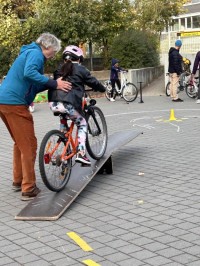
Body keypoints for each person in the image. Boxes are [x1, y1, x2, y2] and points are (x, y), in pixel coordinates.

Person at [0, 33, 72, 201]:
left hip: (4, 102)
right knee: (30, 145)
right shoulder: (36, 54)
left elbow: (32, 84)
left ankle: (18, 181)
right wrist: (55, 84)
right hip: (15, 103)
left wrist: (52, 83)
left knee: (20, 142)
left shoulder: (28, 52)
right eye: (53, 51)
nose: (54, 55)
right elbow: (29, 73)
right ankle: (28, 188)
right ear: (47, 46)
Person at [48, 45, 106, 165]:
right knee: (82, 123)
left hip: (54, 103)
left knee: (64, 118)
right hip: (69, 104)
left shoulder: (58, 69)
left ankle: (64, 144)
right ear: (79, 59)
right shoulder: (80, 69)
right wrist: (102, 89)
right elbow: (93, 82)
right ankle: (81, 153)